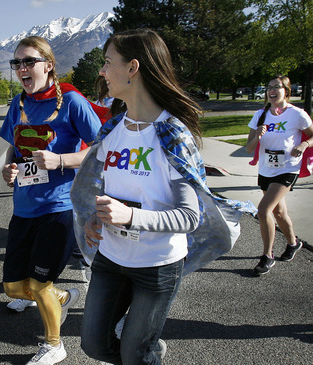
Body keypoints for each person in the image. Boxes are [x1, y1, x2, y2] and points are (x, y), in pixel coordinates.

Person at [70, 29, 256, 364]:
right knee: (94, 346)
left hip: (157, 266)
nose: (102, 71)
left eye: (108, 62)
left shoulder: (172, 134)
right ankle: (145, 355)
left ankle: (143, 355)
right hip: (111, 259)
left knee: (134, 353)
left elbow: (189, 216)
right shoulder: (112, 129)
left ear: (133, 68)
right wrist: (97, 217)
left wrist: (129, 217)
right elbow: (102, 189)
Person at [0, 36, 103, 364]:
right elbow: (13, 147)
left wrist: (61, 161)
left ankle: (54, 345)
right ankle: (62, 297)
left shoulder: (71, 102)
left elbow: (102, 149)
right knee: (15, 288)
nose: (21, 69)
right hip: (23, 207)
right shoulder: (18, 104)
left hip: (58, 207)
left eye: (28, 61)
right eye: (17, 63)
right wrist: (8, 167)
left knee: (40, 283)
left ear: (48, 65)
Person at [246, 75, 313, 275]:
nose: (271, 90)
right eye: (269, 87)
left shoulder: (297, 114)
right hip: (267, 169)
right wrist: (257, 136)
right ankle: (293, 243)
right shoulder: (260, 114)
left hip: (288, 168)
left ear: (286, 91)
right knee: (279, 213)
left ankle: (267, 256)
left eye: (277, 87)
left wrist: (304, 144)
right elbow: (249, 148)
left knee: (264, 209)